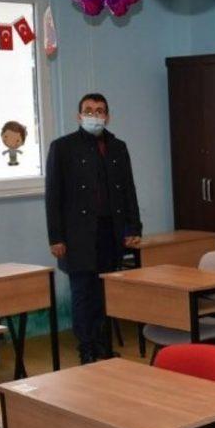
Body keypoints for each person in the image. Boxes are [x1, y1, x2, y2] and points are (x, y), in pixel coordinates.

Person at [45, 93, 142, 364]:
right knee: (83, 293)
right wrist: (56, 237)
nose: (94, 115)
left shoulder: (118, 147)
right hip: (77, 235)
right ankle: (86, 348)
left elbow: (128, 190)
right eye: (88, 110)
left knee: (104, 292)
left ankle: (102, 345)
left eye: (99, 111)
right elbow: (53, 197)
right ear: (79, 116)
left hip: (110, 232)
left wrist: (133, 227)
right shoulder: (62, 147)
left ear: (107, 117)